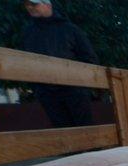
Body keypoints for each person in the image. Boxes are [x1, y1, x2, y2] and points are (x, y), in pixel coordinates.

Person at [20, 0, 99, 128]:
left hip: (75, 90)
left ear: (47, 5)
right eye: (27, 5)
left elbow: (89, 58)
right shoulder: (28, 33)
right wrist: (38, 89)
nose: (30, 7)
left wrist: (82, 86)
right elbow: (25, 62)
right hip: (47, 92)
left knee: (85, 128)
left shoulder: (70, 29)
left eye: (34, 4)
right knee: (62, 132)